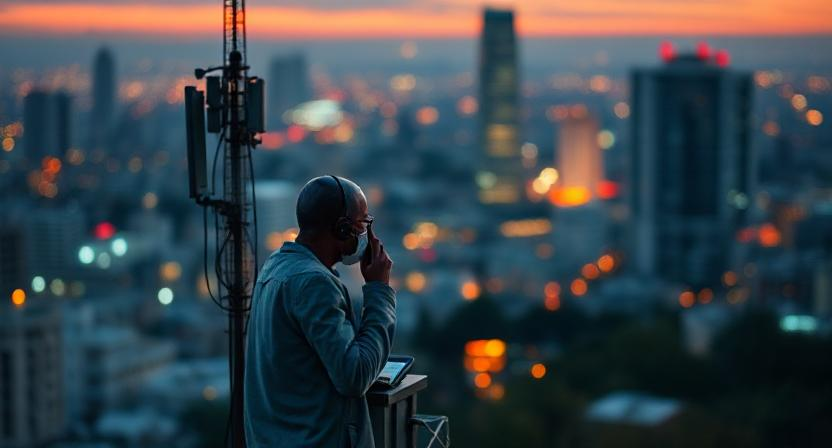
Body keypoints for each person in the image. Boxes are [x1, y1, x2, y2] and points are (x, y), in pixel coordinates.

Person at [244, 175, 396, 448]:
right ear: (342, 229)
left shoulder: (276, 266)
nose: (368, 235)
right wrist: (379, 290)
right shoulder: (314, 284)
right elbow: (355, 375)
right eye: (363, 224)